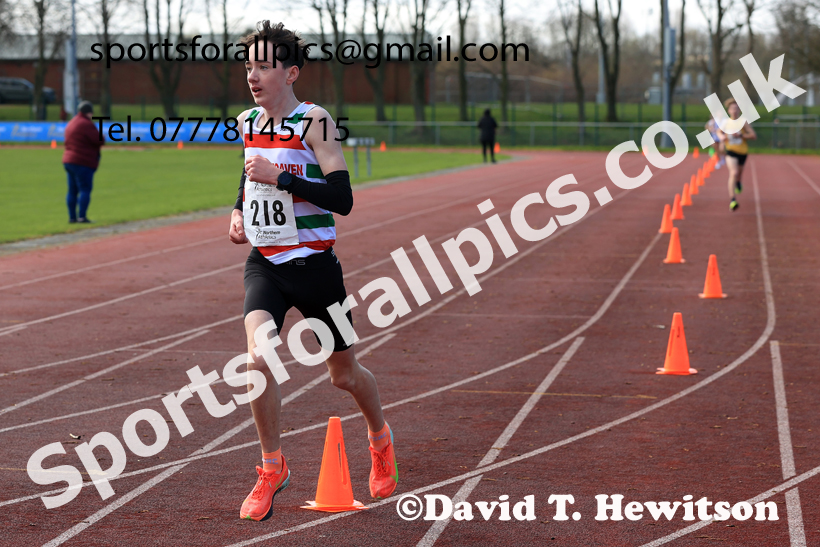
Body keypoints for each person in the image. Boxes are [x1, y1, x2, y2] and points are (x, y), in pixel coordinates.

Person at [227, 21, 398, 521]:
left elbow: (342, 199)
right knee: (258, 362)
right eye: (248, 67)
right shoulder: (247, 122)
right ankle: (271, 466)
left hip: (317, 267)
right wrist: (238, 211)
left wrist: (282, 177)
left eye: (263, 66)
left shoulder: (314, 121)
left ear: (292, 71)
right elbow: (249, 179)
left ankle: (380, 437)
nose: (253, 76)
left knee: (343, 375)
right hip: (266, 265)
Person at [62, 101, 104, 223]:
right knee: (85, 189)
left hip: (69, 159)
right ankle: (82, 216)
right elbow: (98, 139)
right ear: (89, 112)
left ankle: (72, 217)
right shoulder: (86, 124)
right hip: (82, 161)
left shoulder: (72, 122)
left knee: (72, 191)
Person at [717, 98, 756, 212]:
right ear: (728, 110)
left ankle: (738, 182)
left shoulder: (743, 122)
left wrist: (741, 136)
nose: (734, 110)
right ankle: (732, 199)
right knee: (733, 173)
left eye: (736, 108)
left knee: (738, 174)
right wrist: (722, 137)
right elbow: (719, 132)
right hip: (730, 151)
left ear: (739, 110)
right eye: (732, 108)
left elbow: (753, 135)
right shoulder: (725, 122)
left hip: (742, 152)